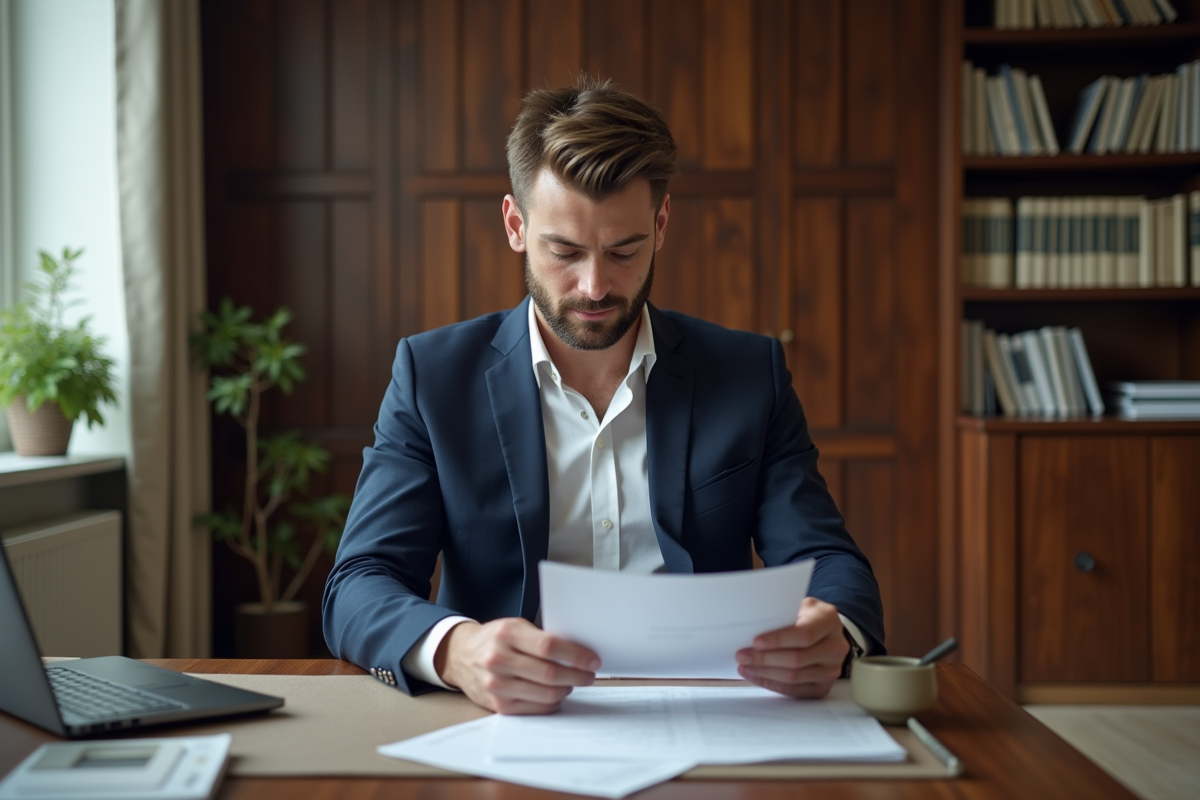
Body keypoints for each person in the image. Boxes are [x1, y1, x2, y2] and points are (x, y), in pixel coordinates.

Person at [323, 75, 883, 715]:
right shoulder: (433, 377)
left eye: (624, 250)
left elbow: (829, 560)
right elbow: (359, 584)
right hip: (502, 726)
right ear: (515, 224)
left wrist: (833, 634)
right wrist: (459, 651)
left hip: (717, 713)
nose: (594, 287)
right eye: (563, 251)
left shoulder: (749, 373)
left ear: (661, 224)